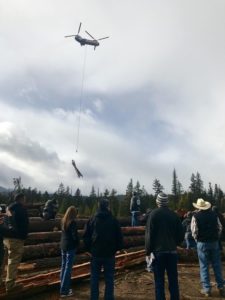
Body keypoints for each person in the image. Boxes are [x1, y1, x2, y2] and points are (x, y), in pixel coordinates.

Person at [145, 192, 184, 300]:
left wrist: (148, 251)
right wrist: (174, 243)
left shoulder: (153, 214)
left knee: (159, 282)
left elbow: (149, 235)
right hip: (172, 252)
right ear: (167, 202)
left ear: (157, 201)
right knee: (173, 281)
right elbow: (181, 234)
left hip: (158, 253)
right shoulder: (173, 215)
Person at [83, 198, 123, 300]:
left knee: (94, 278)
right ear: (107, 206)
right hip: (109, 254)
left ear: (99, 206)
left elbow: (86, 236)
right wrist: (118, 248)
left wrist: (87, 249)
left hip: (95, 253)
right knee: (109, 279)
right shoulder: (113, 220)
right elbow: (119, 236)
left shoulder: (92, 219)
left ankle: (94, 298)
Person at [191, 198, 225, 297]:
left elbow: (194, 231)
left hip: (202, 243)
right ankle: (221, 287)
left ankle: (207, 289)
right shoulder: (214, 215)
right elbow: (220, 228)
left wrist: (198, 240)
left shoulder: (195, 216)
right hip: (214, 242)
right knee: (217, 265)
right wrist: (216, 238)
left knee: (204, 266)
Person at [3, 193, 29, 292]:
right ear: (21, 199)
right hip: (16, 238)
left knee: (4, 260)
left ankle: (2, 281)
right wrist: (24, 236)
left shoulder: (8, 209)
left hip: (6, 238)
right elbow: (24, 225)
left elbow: (7, 222)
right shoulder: (21, 210)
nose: (25, 201)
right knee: (13, 261)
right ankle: (10, 285)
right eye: (24, 199)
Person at [60, 206, 80, 297]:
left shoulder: (64, 221)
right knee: (68, 268)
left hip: (63, 245)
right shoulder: (73, 223)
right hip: (70, 246)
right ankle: (64, 291)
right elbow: (74, 236)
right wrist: (77, 244)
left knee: (64, 267)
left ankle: (63, 287)